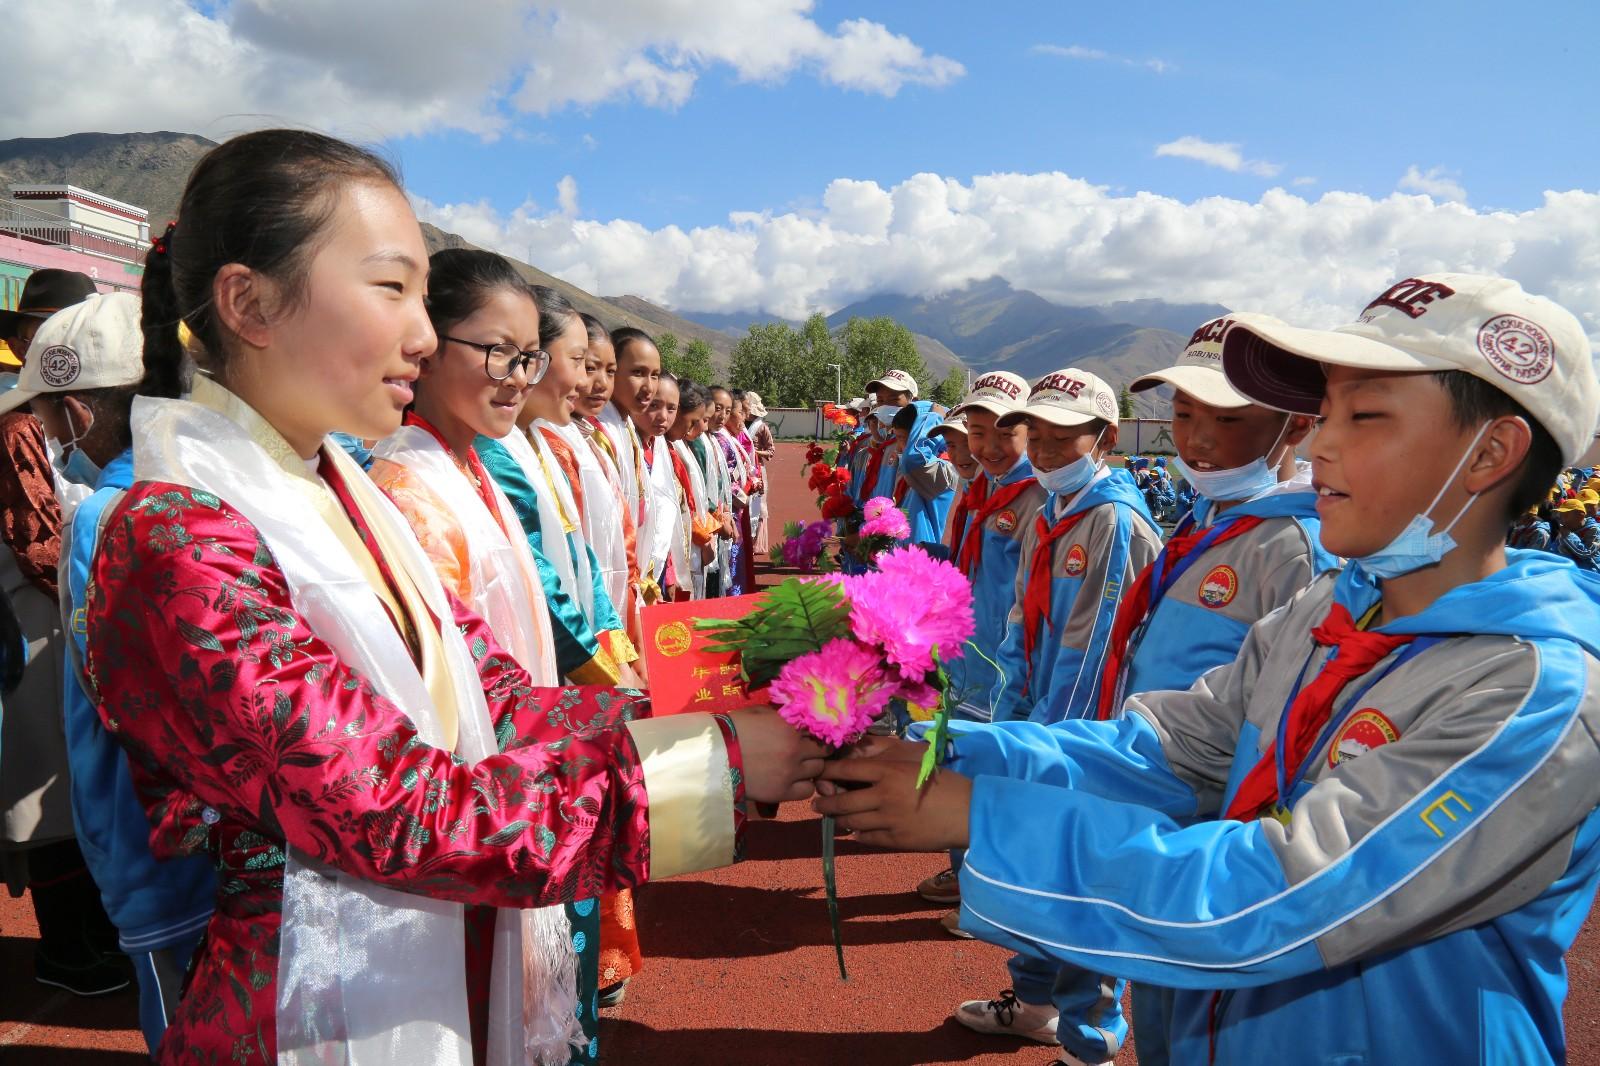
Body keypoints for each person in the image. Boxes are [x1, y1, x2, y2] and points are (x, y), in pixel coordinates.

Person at [91, 127, 823, 1065]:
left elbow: (498, 698)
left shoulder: (339, 493)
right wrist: (711, 764)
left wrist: (720, 697)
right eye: (391, 288)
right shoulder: (179, 537)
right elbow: (397, 807)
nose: (425, 334)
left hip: (435, 974)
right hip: (301, 1011)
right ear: (250, 303)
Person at [820, 273, 1600, 1066]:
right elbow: (1161, 751)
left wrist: (980, 817)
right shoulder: (1329, 610)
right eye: (1327, 413)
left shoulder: (1536, 692)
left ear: (1491, 452)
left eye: (1365, 417)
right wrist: (940, 751)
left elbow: (1280, 894)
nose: (1321, 444)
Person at [18, 292, 217, 1046]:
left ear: (77, 411)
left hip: (153, 835)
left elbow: (107, 700)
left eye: (45, 413)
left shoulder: (108, 514)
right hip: (227, 832)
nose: (44, 431)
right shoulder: (214, 483)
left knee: (179, 1021)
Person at [0, 267, 128, 997]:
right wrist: (112, 588)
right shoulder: (20, 425)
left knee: (79, 779)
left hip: (75, 609)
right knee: (47, 788)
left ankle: (89, 935)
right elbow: (37, 541)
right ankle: (66, 950)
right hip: (42, 619)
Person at [474, 279, 643, 688]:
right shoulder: (495, 453)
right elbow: (540, 573)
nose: (587, 383)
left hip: (577, 649)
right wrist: (606, 674)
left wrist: (617, 655)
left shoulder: (540, 443)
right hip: (544, 663)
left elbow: (582, 555)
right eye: (580, 363)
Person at [987, 369, 1163, 725]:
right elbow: (1020, 623)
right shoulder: (1046, 517)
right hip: (1036, 714)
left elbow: (1094, 657)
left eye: (1063, 438)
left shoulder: (1114, 525)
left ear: (1107, 438)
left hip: (1072, 730)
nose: (1045, 454)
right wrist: (1003, 715)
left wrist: (1048, 742)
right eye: (1034, 438)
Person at [890, 402, 958, 548]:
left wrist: (932, 419)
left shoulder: (940, 471)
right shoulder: (914, 469)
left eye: (902, 438)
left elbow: (914, 457)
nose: (897, 446)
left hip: (921, 563)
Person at [745, 391, 775, 555]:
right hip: (742, 469)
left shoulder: (761, 427)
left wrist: (753, 452)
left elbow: (771, 451)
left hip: (757, 469)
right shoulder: (739, 424)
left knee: (760, 505)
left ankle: (758, 542)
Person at [1552, 497, 1599, 569]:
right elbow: (1556, 552)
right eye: (1561, 515)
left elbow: (1587, 553)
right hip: (1572, 571)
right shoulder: (1566, 529)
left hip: (1592, 574)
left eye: (1566, 515)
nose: (1562, 519)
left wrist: (1568, 535)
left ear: (1581, 515)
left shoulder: (1594, 530)